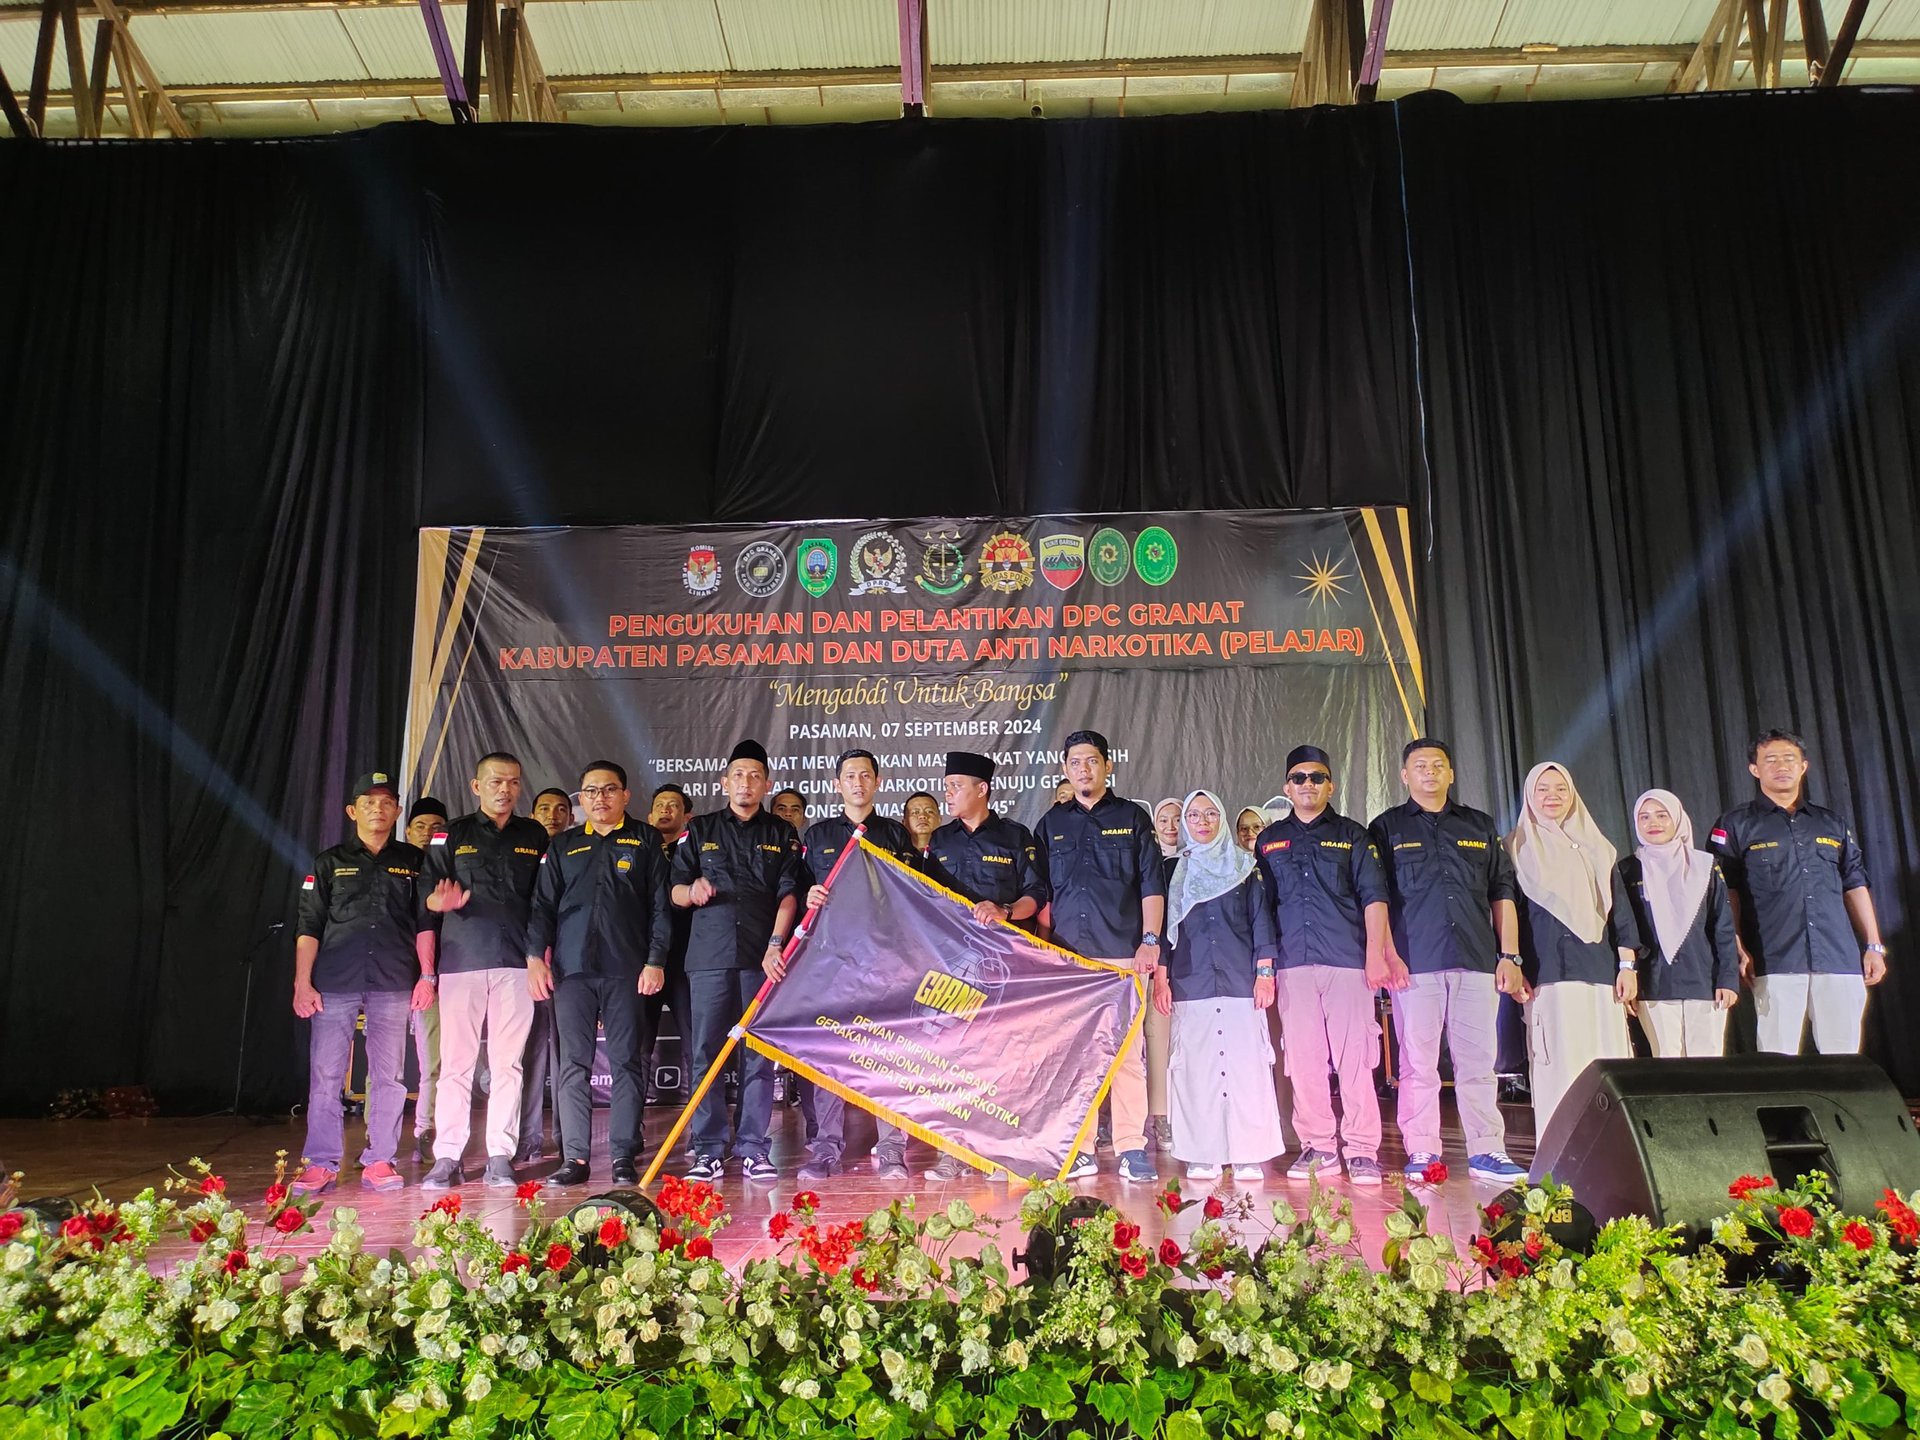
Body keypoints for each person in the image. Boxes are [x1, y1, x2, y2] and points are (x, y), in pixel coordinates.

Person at [1369, 739, 1526, 1184]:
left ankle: (1487, 1150)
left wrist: (1509, 955)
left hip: (1476, 960)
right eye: (1419, 766)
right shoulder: (1386, 828)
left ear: (1451, 773)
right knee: (1418, 1064)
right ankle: (1422, 1149)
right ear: (1404, 776)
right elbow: (1376, 898)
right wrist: (1387, 955)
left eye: (1438, 765)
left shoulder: (1478, 824)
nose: (1430, 772)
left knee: (1478, 1061)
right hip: (1414, 964)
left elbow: (1502, 892)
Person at [289, 771, 439, 1195]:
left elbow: (425, 922)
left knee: (389, 1076)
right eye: (369, 802)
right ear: (353, 810)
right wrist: (303, 982)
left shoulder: (413, 861)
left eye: (387, 802)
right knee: (326, 1074)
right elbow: (308, 925)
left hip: (393, 980)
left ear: (396, 811)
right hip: (334, 981)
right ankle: (321, 1162)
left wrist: (427, 975)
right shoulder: (329, 861)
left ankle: (380, 1160)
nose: (379, 808)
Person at [525, 762, 672, 1187]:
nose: (600, 798)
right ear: (581, 799)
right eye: (591, 791)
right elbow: (541, 907)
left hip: (628, 969)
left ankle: (624, 1155)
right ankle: (575, 1159)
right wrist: (536, 957)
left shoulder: (644, 840)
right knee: (572, 1064)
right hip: (571, 972)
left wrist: (656, 960)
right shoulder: (565, 845)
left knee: (627, 1061)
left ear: (626, 796)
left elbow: (660, 907)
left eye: (609, 790)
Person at [1252, 746, 1393, 1186]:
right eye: (1299, 778)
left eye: (1317, 777)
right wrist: (1267, 964)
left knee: (1356, 1058)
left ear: (1330, 785)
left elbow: (1374, 897)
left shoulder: (1353, 834)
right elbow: (1261, 907)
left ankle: (1363, 1149)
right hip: (1293, 963)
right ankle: (1317, 1146)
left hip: (1347, 961)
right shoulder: (1269, 840)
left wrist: (1375, 955)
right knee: (1304, 1060)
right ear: (1286, 787)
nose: (1307, 784)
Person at [671, 740, 805, 1182]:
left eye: (755, 776)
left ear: (767, 783)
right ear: (724, 781)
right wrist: (691, 893)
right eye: (738, 775)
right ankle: (708, 1150)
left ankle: (752, 1147)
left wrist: (774, 944)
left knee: (756, 1056)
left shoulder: (781, 833)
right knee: (706, 1054)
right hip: (708, 959)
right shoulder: (702, 828)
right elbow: (673, 888)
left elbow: (789, 895)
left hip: (759, 959)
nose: (746, 783)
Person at [790, 750, 923, 1182]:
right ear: (837, 784)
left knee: (891, 1055)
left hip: (887, 961)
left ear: (877, 782)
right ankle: (826, 1148)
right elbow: (798, 890)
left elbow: (914, 897)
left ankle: (891, 1150)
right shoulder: (820, 833)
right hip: (833, 961)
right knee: (830, 1056)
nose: (858, 782)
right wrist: (809, 895)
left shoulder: (895, 835)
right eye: (850, 776)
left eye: (866, 775)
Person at [1040, 730, 1165, 1185]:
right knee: (1078, 1059)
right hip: (1071, 962)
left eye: (1091, 761)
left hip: (1123, 958)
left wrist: (1150, 940)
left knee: (1127, 1056)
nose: (1083, 770)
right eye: (1075, 762)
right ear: (1066, 769)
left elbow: (1152, 884)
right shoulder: (1051, 823)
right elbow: (1043, 894)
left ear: (1107, 765)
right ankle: (1083, 1149)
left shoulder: (1132, 818)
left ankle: (1132, 1147)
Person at [1711, 729, 1886, 1054]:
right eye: (1771, 759)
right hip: (1774, 958)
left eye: (1789, 758)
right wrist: (1736, 946)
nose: (1781, 766)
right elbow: (1726, 892)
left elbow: (1855, 882)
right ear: (1754, 769)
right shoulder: (1736, 824)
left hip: (1838, 957)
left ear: (1803, 766)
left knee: (1843, 1058)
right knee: (1778, 1057)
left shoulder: (1830, 823)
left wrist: (1873, 944)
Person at [419, 752, 549, 1190]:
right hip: (461, 962)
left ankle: (500, 1155)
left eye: (512, 782)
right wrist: (442, 903)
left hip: (518, 963)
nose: (504, 789)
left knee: (507, 1064)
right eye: (495, 781)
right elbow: (427, 898)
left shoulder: (534, 835)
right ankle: (448, 1156)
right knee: (455, 1065)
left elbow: (543, 902)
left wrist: (539, 957)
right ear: (477, 786)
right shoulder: (449, 834)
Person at [920, 751, 1049, 1179]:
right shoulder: (939, 841)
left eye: (957, 786)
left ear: (982, 790)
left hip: (1003, 966)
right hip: (952, 966)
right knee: (952, 1055)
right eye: (947, 785)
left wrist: (1007, 911)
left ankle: (1000, 1148)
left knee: (1002, 1056)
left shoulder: (1015, 836)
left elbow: (1037, 893)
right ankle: (953, 1149)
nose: (949, 793)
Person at [1157, 789, 1287, 1183]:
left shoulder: (1245, 867)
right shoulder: (1171, 871)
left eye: (1210, 814)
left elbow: (1261, 921)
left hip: (1239, 982)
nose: (1202, 821)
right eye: (1194, 815)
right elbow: (1162, 931)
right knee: (1196, 1071)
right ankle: (1202, 1152)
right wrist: (1161, 978)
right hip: (1189, 982)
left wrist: (1264, 974)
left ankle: (1249, 1153)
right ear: (1184, 823)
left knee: (1247, 1068)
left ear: (1221, 819)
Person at [1504, 763, 1637, 1139]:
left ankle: (1611, 1152)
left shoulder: (1599, 847)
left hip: (1600, 975)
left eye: (1561, 789)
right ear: (1530, 795)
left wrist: (1627, 965)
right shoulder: (1514, 847)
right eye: (1543, 789)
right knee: (1557, 1067)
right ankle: (1558, 1158)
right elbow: (1508, 912)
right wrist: (1514, 964)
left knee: (1604, 1065)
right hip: (1548, 976)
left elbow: (1621, 915)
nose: (1552, 797)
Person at [1618, 789, 1738, 1057]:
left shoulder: (1705, 865)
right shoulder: (1628, 869)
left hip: (1703, 981)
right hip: (1654, 983)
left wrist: (1728, 979)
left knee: (1707, 1067)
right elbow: (1625, 930)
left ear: (1677, 819)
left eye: (1662, 815)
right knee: (1665, 1066)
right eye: (1644, 817)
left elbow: (1722, 927)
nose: (1653, 823)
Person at [515, 786, 574, 1165]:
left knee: (567, 1058)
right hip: (531, 968)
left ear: (571, 816)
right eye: (544, 808)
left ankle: (569, 1140)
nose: (552, 815)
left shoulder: (575, 851)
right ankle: (528, 1138)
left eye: (560, 809)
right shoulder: (523, 853)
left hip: (569, 970)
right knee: (530, 1055)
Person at [641, 783, 696, 1104]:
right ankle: (631, 1133)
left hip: (685, 961)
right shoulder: (638, 851)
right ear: (649, 815)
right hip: (643, 960)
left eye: (673, 805)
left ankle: (700, 1131)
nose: (665, 810)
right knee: (638, 1046)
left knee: (695, 1044)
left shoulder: (693, 853)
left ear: (687, 816)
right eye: (660, 804)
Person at [402, 794, 448, 1157]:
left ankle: (427, 1130)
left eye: (437, 827)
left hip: (442, 975)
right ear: (408, 830)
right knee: (383, 1065)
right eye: (421, 827)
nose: (429, 833)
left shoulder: (450, 867)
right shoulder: (396, 864)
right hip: (396, 974)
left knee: (437, 1059)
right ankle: (374, 1138)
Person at [1145, 796, 1184, 1153]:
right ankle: (1159, 1115)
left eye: (1177, 819)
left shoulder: (1194, 863)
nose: (1171, 826)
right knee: (1155, 1043)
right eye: (1163, 819)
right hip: (1156, 964)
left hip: (1193, 968)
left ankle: (1187, 1114)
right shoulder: (1147, 863)